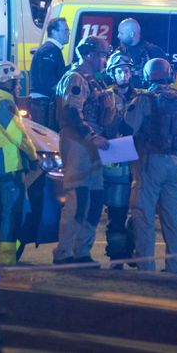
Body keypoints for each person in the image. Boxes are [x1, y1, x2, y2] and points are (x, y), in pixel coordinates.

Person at [124, 58, 177, 273]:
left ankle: (146, 266)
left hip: (149, 161)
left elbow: (128, 127)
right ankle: (176, 268)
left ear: (147, 76)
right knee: (173, 217)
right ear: (170, 74)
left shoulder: (144, 99)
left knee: (143, 215)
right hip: (175, 163)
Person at [53, 36, 112, 264]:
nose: (104, 60)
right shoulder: (75, 78)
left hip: (91, 144)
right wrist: (92, 136)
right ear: (89, 55)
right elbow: (71, 112)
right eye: (102, 55)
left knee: (95, 198)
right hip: (77, 142)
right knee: (78, 197)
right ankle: (65, 252)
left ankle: (82, 251)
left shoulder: (92, 80)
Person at [0, 61, 39, 265]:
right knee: (12, 211)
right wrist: (33, 156)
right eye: (15, 82)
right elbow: (18, 135)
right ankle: (6, 258)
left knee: (15, 211)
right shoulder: (2, 104)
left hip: (7, 164)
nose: (18, 86)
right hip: (9, 165)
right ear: (6, 83)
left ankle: (5, 255)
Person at [101, 51, 139, 263]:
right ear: (112, 73)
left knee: (138, 211)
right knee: (116, 211)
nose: (124, 74)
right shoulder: (105, 97)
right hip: (114, 162)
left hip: (137, 164)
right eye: (119, 71)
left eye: (126, 70)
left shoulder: (140, 97)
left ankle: (131, 249)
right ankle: (116, 253)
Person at [29, 17, 69, 128]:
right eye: (65, 30)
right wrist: (66, 93)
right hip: (44, 104)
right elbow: (48, 81)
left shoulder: (52, 50)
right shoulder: (49, 51)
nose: (68, 33)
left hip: (45, 103)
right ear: (54, 32)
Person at [116, 17, 167, 89]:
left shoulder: (154, 52)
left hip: (148, 98)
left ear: (131, 34)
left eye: (121, 33)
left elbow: (165, 80)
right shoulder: (118, 53)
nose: (118, 36)